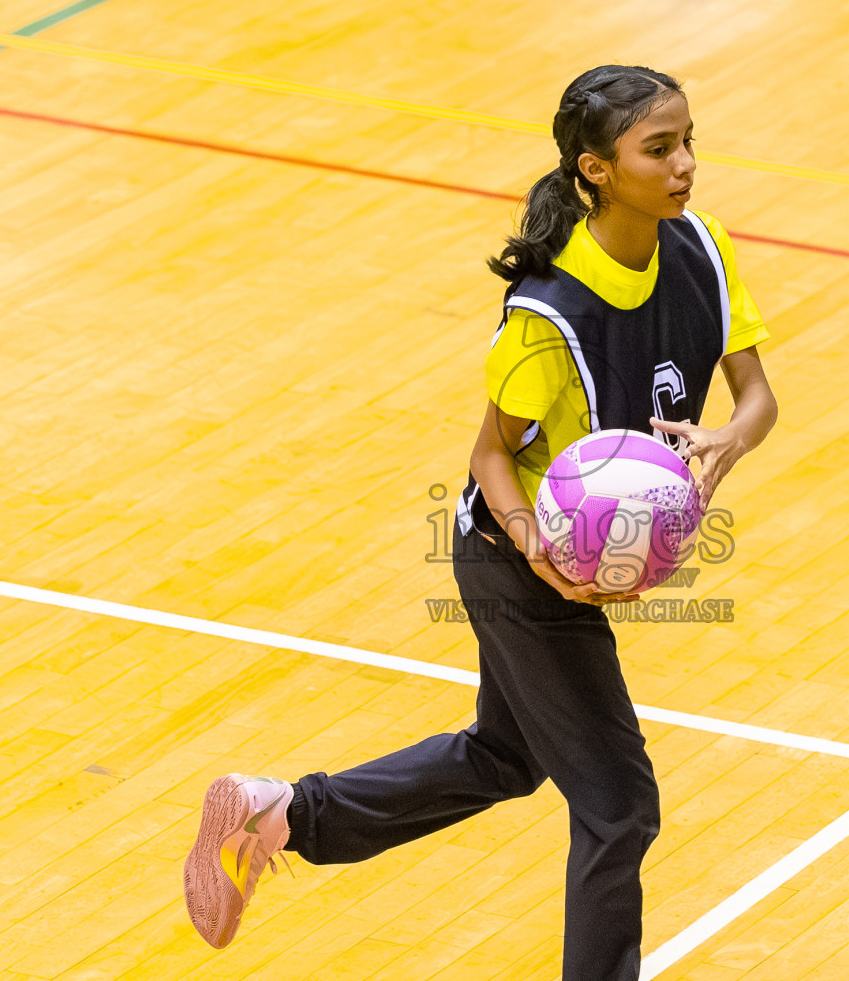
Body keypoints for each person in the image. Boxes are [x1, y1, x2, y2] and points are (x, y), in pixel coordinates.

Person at [183, 64, 779, 981]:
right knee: (621, 805)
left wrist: (727, 440)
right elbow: (490, 456)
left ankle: (280, 816)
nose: (686, 164)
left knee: (505, 755)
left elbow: (758, 398)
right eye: (659, 149)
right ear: (596, 169)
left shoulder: (700, 246)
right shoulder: (549, 317)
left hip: (586, 558)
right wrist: (538, 552)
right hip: (516, 561)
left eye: (690, 141)